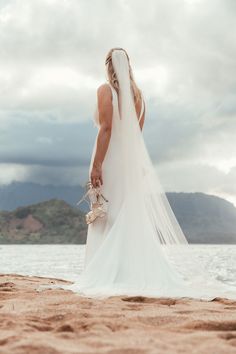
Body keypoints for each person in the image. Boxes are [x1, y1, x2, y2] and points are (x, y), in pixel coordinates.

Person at [39, 48, 236, 300]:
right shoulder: (140, 97)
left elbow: (107, 128)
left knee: (105, 214)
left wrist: (97, 164)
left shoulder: (104, 90)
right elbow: (136, 139)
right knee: (126, 213)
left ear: (108, 66)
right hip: (128, 164)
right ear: (128, 65)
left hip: (110, 160)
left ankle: (106, 273)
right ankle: (128, 271)